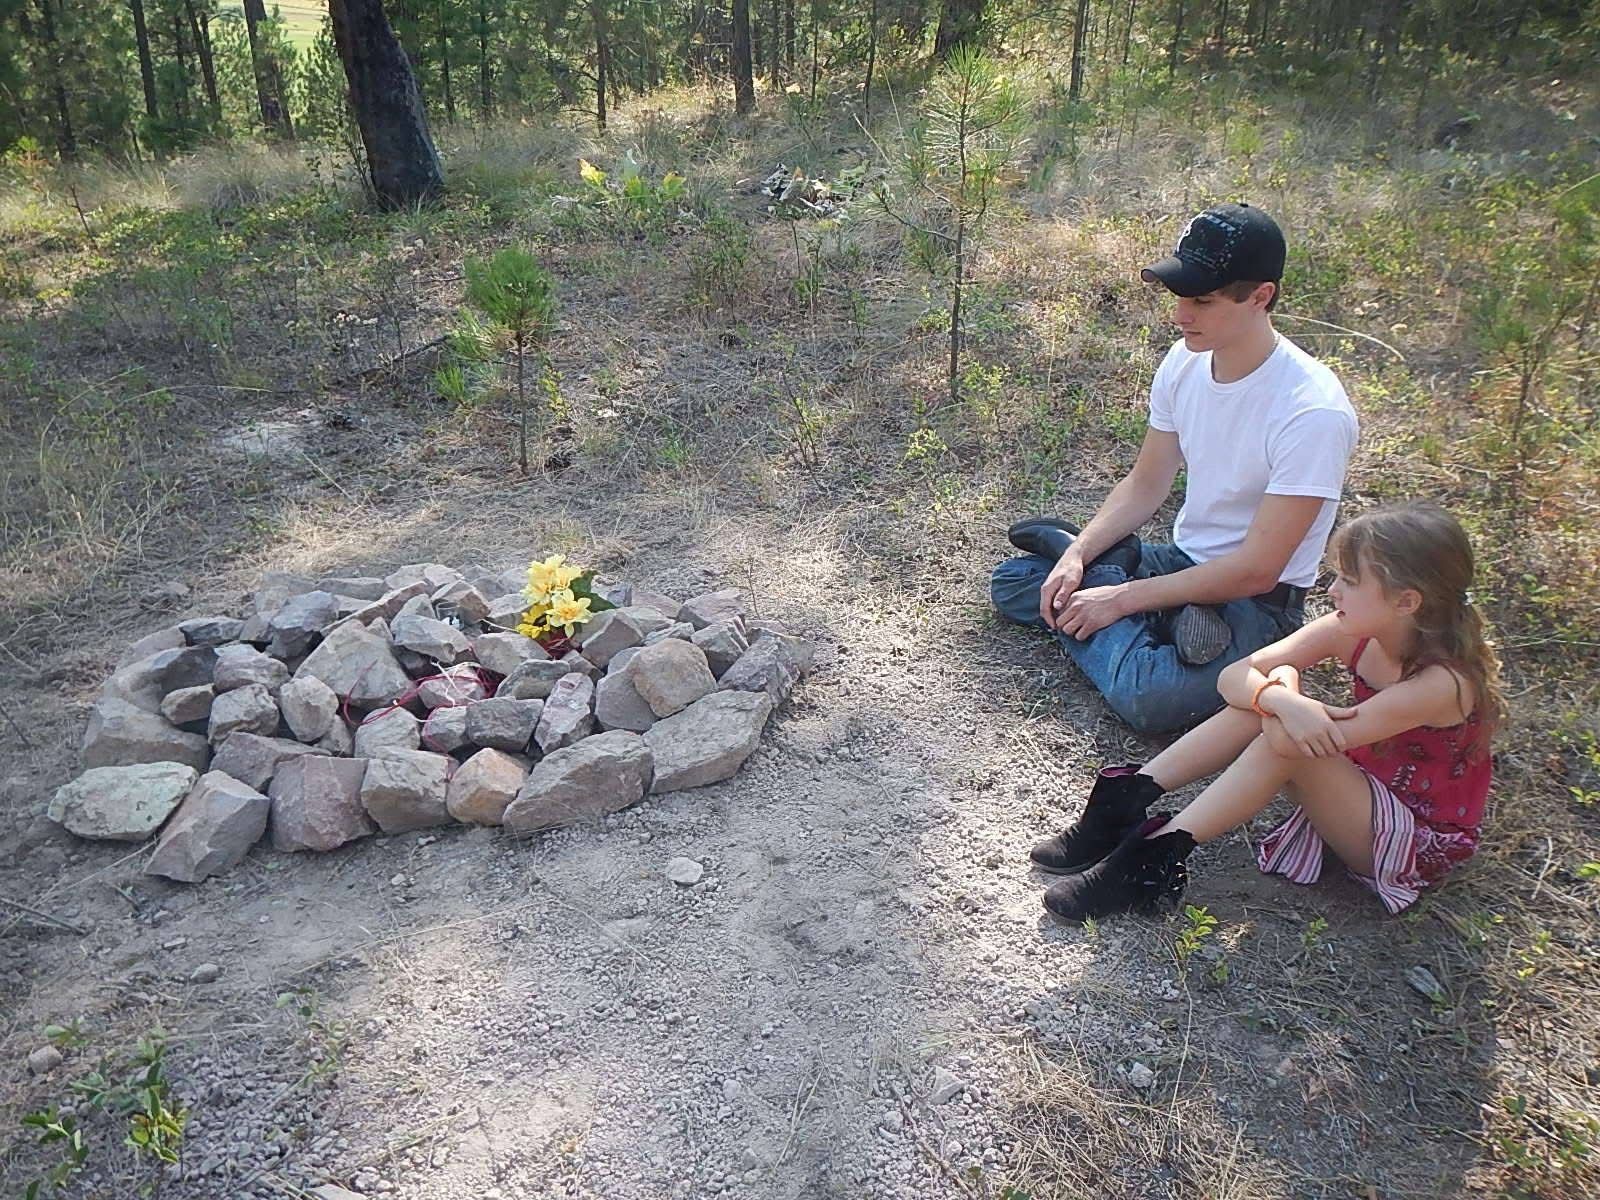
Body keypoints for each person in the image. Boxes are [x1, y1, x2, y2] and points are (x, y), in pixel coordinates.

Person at [1034, 502, 1504, 922]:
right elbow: (1234, 678)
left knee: (1285, 737)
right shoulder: (1351, 630)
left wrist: (1281, 697)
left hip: (1411, 842)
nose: (1332, 589)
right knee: (1264, 708)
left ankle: (1151, 860)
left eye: (1351, 581)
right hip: (1354, 793)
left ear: (1407, 602)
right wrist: (1281, 695)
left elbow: (1299, 739)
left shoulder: (1443, 683)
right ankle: (1122, 804)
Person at [991, 203, 1358, 733]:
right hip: (1181, 562)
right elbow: (1146, 482)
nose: (1182, 314)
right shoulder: (1185, 360)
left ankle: (1132, 598)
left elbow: (1259, 568)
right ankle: (1136, 598)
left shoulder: (1311, 410)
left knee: (1149, 698)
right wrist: (1077, 554)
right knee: (1016, 581)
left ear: (1261, 297)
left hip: (1255, 602)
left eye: (1203, 300)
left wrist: (1119, 599)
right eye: (1182, 296)